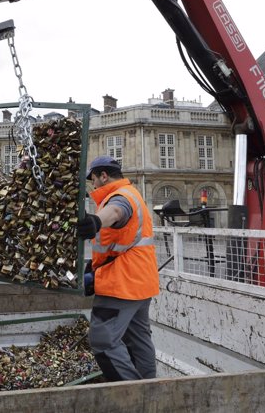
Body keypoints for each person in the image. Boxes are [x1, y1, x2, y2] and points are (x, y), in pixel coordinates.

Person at [76, 155, 159, 382]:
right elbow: (119, 240)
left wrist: (95, 221)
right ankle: (149, 391)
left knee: (103, 340)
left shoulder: (120, 197)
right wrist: (93, 266)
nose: (93, 184)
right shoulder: (133, 193)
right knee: (138, 340)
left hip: (121, 285)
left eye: (93, 179)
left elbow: (115, 213)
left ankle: (129, 394)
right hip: (141, 284)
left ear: (104, 175)